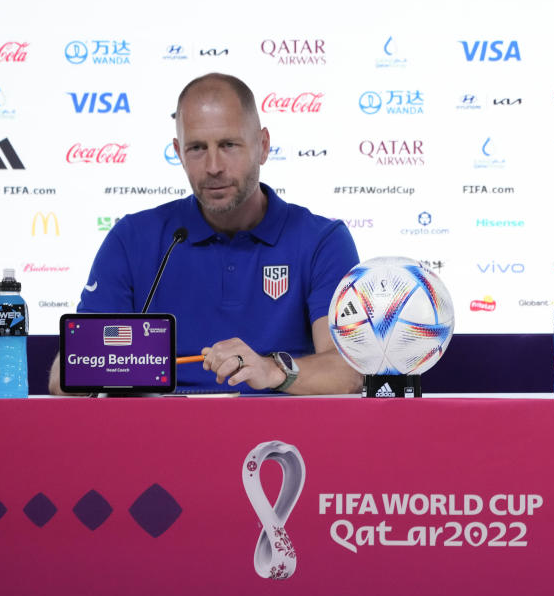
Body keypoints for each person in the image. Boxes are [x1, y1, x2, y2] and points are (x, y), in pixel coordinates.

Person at [48, 73, 361, 395]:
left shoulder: (322, 240)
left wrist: (271, 369)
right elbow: (64, 379)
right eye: (197, 148)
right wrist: (121, 367)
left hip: (277, 439)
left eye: (228, 145)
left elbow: (348, 371)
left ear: (263, 146)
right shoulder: (133, 238)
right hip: (158, 434)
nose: (213, 166)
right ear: (179, 153)